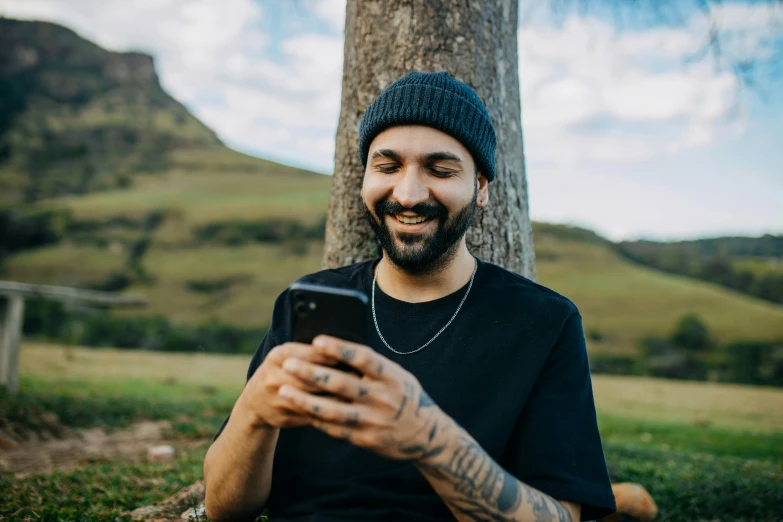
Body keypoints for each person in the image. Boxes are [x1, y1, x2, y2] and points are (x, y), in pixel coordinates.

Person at [203, 71, 616, 522]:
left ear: (479, 187)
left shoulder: (544, 323)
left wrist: (430, 439)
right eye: (387, 166)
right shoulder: (307, 303)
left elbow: (562, 516)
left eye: (440, 170)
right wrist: (255, 411)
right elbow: (224, 510)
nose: (408, 194)